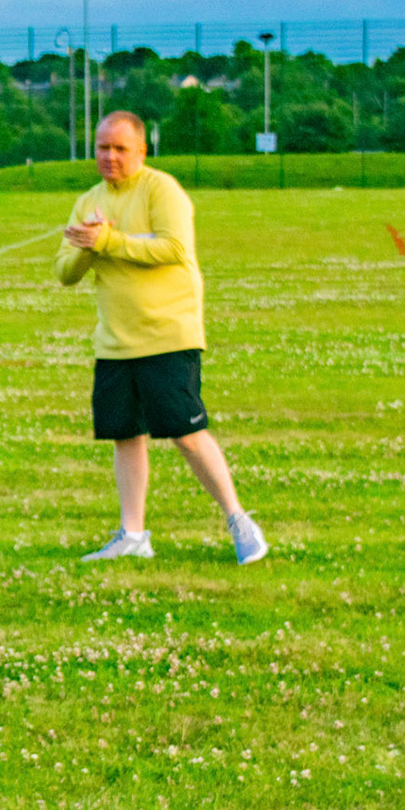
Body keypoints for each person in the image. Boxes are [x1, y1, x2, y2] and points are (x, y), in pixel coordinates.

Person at [52, 110, 268, 565]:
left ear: (141, 151)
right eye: (102, 147)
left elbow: (173, 247)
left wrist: (107, 242)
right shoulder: (88, 201)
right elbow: (65, 271)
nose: (110, 157)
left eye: (120, 149)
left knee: (187, 434)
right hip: (115, 341)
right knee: (125, 435)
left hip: (168, 335)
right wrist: (87, 247)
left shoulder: (161, 190)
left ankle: (239, 521)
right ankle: (133, 535)